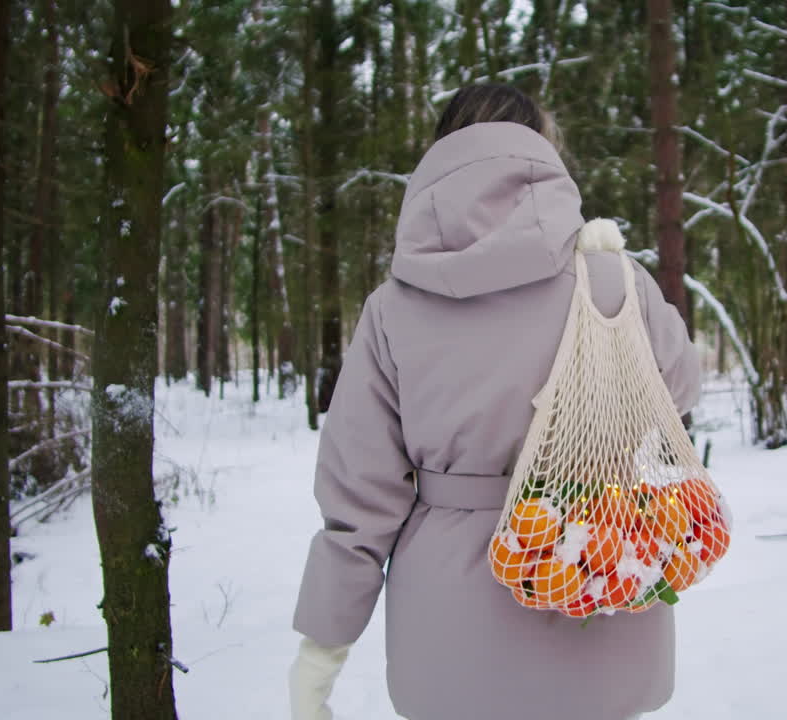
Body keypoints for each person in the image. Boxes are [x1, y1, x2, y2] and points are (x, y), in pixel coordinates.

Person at [289, 83, 703, 720]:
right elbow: (676, 391)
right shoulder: (611, 277)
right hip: (594, 571)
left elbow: (359, 495)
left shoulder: (392, 307)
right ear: (543, 154)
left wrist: (323, 647)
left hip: (451, 624)